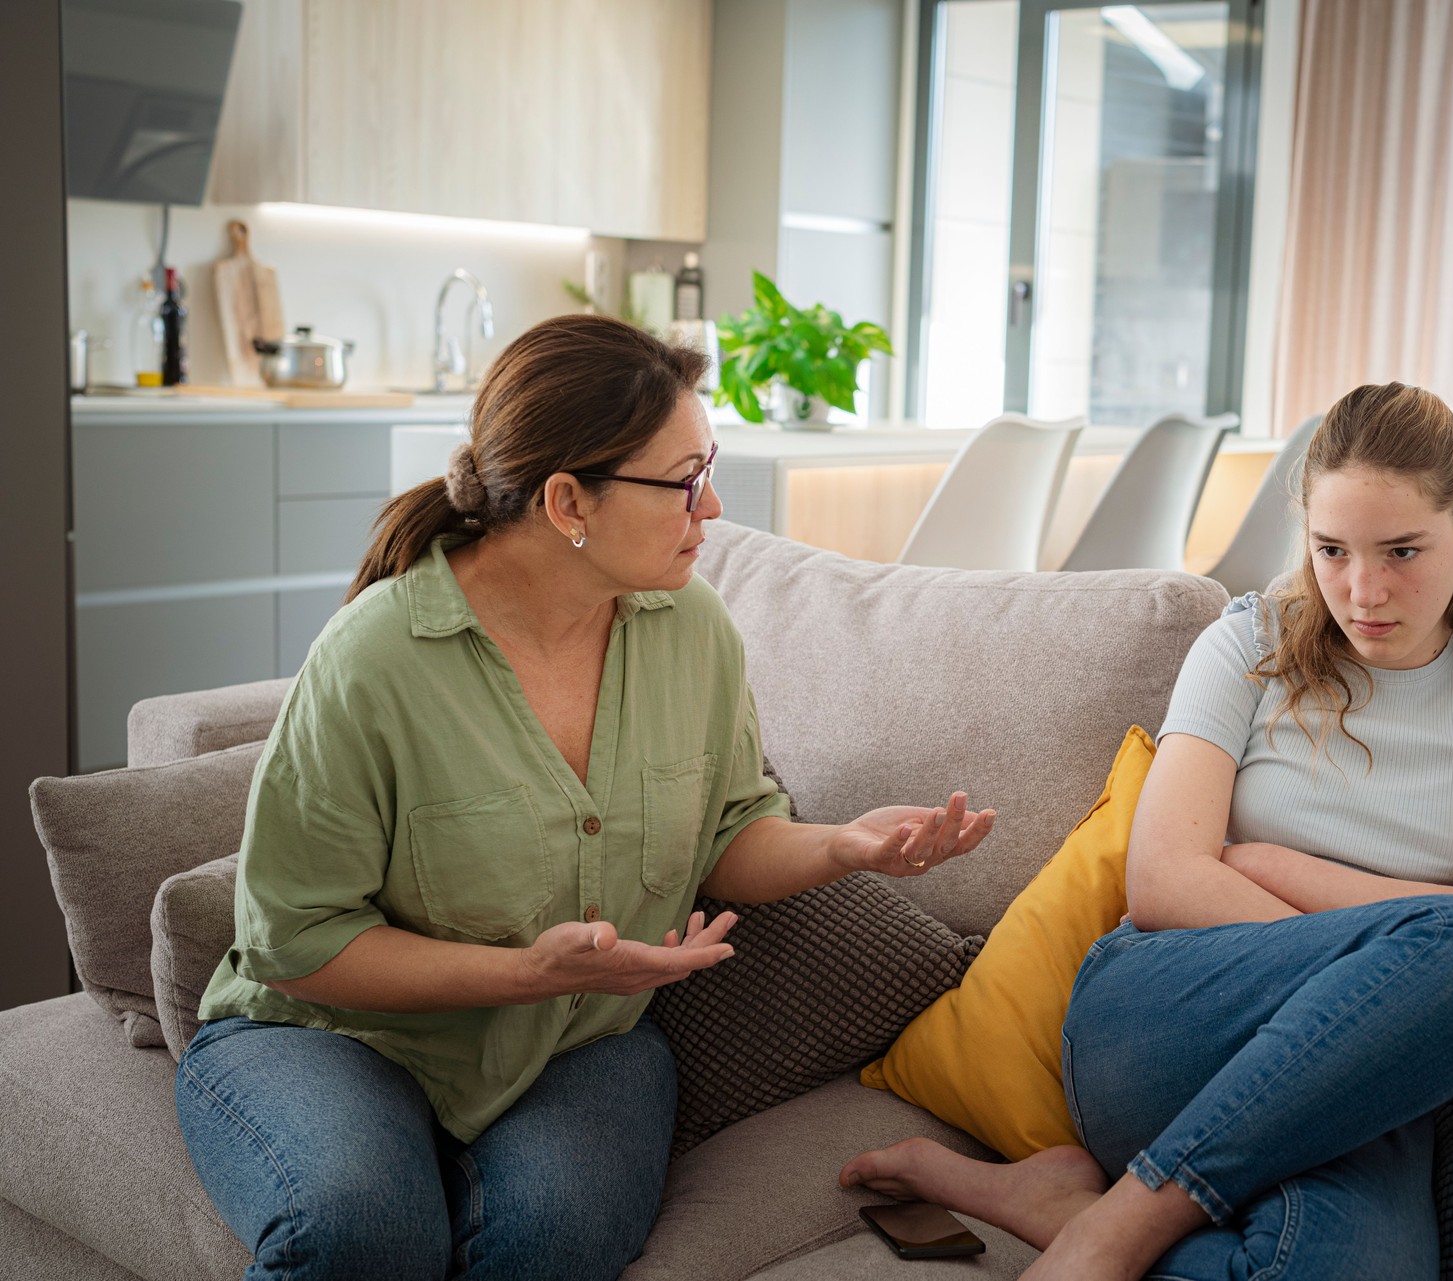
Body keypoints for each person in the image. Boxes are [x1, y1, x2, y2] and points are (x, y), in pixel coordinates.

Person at [176, 314, 995, 1281]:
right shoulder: (376, 658)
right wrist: (529, 972)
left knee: (552, 1243)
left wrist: (841, 848)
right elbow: (299, 941)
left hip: (581, 1040)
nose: (715, 503)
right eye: (683, 480)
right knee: (367, 1232)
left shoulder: (694, 629)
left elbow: (730, 829)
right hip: (334, 1036)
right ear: (569, 500)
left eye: (710, 466)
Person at [841, 382, 1453, 1280]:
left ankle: (1073, 1212)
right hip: (1164, 1017)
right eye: (1332, 550)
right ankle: (1115, 1231)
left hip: (1360, 1076)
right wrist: (1388, 970)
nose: (1364, 590)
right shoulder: (1247, 641)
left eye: (1403, 550)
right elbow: (1163, 881)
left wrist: (1271, 864)